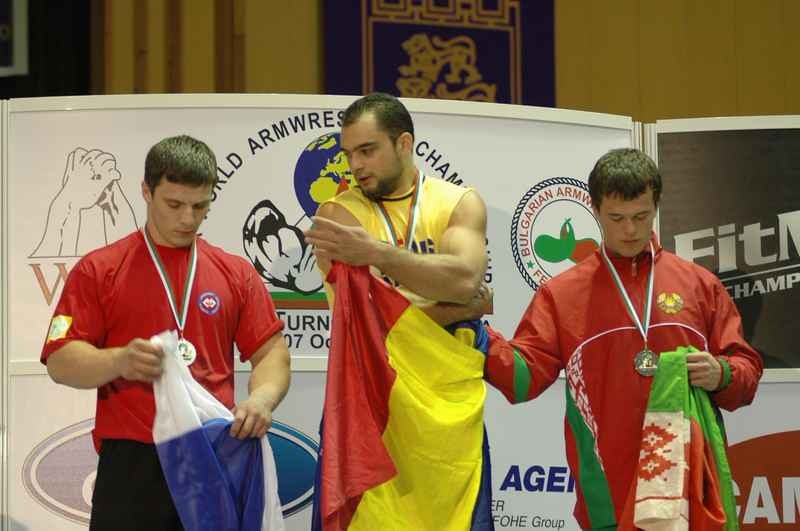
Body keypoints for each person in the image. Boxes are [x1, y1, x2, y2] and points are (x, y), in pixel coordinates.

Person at [482, 148, 763, 529]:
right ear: (595, 211)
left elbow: (745, 372)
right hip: (609, 502)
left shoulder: (699, 285)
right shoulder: (562, 295)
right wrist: (472, 334)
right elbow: (522, 378)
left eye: (640, 216)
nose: (629, 230)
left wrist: (722, 374)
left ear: (656, 207)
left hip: (689, 496)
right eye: (616, 218)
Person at [40, 135, 291, 531]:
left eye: (200, 206)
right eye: (174, 205)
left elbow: (270, 351)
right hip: (133, 464)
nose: (188, 219)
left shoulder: (236, 272)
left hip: (212, 456)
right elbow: (59, 361)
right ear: (146, 190)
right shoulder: (99, 269)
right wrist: (117, 360)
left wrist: (262, 398)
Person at [303, 92, 493, 529]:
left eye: (367, 150)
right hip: (369, 400)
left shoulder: (458, 202)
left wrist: (379, 256)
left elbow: (463, 278)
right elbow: (368, 318)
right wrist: (458, 309)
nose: (356, 166)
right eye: (350, 153)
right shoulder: (336, 215)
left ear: (404, 144)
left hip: (448, 407)